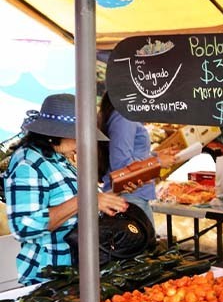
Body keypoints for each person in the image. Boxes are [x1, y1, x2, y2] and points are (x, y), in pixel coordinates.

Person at [4, 93, 129, 285]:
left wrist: (112, 195)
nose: (82, 143)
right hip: (47, 276)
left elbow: (77, 202)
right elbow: (24, 227)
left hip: (74, 268)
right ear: (55, 133)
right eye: (78, 135)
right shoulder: (27, 163)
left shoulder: (58, 157)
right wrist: (85, 200)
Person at [98, 92, 175, 223]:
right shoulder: (124, 117)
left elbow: (129, 157)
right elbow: (121, 166)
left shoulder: (124, 116)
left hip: (132, 197)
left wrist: (155, 156)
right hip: (129, 197)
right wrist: (157, 162)